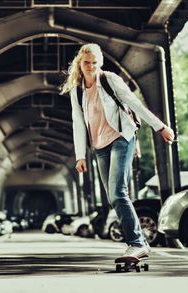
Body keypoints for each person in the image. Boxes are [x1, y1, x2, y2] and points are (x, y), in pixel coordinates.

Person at [61, 43, 175, 258]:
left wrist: (160, 126)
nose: (91, 66)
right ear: (80, 63)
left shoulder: (109, 80)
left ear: (100, 62)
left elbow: (134, 103)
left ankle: (137, 243)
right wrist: (80, 156)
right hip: (99, 146)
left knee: (118, 192)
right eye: (87, 62)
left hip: (122, 137)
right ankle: (138, 242)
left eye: (95, 62)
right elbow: (77, 122)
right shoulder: (77, 91)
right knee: (113, 197)